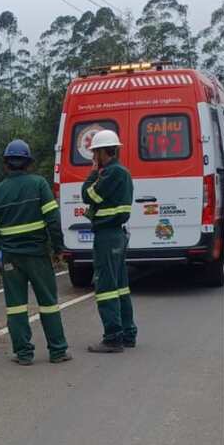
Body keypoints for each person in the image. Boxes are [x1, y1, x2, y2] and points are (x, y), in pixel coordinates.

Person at [0, 140, 71, 366]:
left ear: (6, 164)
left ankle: (23, 354)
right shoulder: (39, 184)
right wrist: (58, 248)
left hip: (11, 259)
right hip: (38, 255)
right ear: (28, 163)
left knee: (16, 307)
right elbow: (53, 219)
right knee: (49, 302)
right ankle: (58, 351)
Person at [82, 128, 137, 353]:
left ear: (104, 152)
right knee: (120, 286)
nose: (94, 157)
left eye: (95, 153)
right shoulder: (122, 172)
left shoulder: (111, 173)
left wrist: (93, 174)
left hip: (107, 235)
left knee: (105, 287)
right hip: (117, 234)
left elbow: (88, 194)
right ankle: (127, 333)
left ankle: (113, 337)